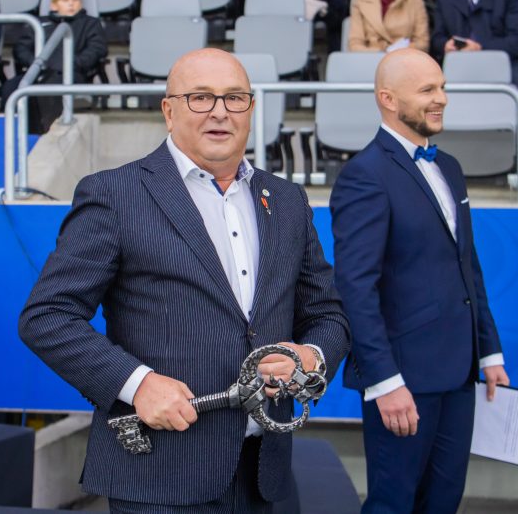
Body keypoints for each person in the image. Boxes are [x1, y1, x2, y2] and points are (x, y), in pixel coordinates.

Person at [19, 48, 351, 511]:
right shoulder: (115, 194)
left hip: (263, 475)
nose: (220, 111)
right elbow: (47, 316)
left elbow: (328, 314)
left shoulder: (289, 201)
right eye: (200, 97)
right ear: (169, 110)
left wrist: (310, 355)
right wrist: (137, 384)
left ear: (251, 110)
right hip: (161, 475)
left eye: (235, 98)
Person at [329, 48, 510, 513]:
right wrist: (384, 381)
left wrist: (488, 351)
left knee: (443, 503)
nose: (442, 99)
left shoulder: (448, 166)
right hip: (403, 381)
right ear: (388, 99)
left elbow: (467, 266)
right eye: (428, 89)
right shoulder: (364, 176)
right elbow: (355, 288)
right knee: (394, 503)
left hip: (459, 372)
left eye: (443, 87)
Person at [6, 0, 107, 133]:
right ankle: (15, 134)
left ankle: (46, 134)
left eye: (76, 0)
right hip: (39, 72)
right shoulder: (37, 23)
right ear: (53, 5)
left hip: (72, 74)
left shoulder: (90, 23)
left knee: (51, 88)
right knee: (11, 87)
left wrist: (72, 63)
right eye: (65, 0)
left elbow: (96, 49)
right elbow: (21, 48)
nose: (71, 4)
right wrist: (35, 64)